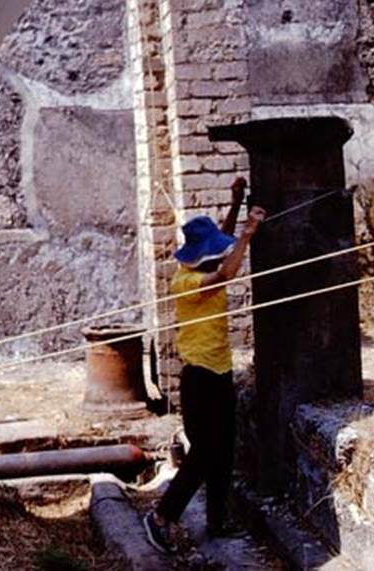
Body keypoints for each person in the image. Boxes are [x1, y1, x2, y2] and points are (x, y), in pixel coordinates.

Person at [143, 178, 266, 554]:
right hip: (199, 377)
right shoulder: (188, 282)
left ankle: (217, 519)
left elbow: (222, 244)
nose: (218, 253)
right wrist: (249, 233)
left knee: (224, 449)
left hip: (220, 370)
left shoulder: (206, 262)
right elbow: (227, 272)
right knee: (203, 453)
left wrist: (236, 203)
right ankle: (161, 516)